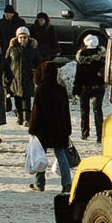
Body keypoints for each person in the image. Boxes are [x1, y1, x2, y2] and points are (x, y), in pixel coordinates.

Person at [29, 59, 75, 193]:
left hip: (43, 128)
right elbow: (66, 111)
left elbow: (36, 111)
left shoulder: (41, 89)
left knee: (40, 155)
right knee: (61, 155)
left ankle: (39, 183)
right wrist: (67, 129)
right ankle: (67, 183)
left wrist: (33, 128)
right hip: (59, 127)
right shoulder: (61, 89)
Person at [72, 32, 106, 139]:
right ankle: (100, 135)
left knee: (84, 110)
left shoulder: (81, 57)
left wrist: (75, 89)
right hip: (98, 86)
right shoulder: (102, 57)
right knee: (97, 110)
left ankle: (84, 133)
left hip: (84, 87)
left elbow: (78, 76)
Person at [6, 25, 42, 123]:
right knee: (17, 97)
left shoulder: (33, 48)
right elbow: (7, 62)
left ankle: (27, 118)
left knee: (26, 98)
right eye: (21, 37)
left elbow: (38, 62)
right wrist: (7, 76)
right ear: (17, 38)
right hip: (15, 76)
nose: (23, 39)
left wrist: (36, 73)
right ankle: (19, 117)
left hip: (28, 76)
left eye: (25, 37)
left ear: (28, 37)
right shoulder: (12, 48)